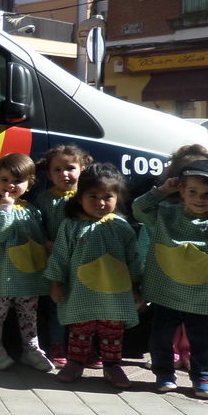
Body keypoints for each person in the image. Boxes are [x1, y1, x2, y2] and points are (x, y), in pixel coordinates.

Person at [133, 157, 208, 399]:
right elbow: (139, 208)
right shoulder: (167, 214)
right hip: (168, 292)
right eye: (193, 191)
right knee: (161, 337)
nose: (199, 198)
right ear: (181, 189)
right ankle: (164, 374)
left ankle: (205, 377)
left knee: (204, 340)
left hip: (207, 297)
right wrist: (163, 190)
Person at [45, 164, 141, 389]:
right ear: (80, 198)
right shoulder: (71, 226)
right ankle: (75, 362)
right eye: (93, 196)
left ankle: (112, 365)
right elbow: (60, 257)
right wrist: (56, 284)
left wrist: (136, 286)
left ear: (117, 198)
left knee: (112, 332)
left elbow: (133, 259)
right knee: (79, 329)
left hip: (114, 294)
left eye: (108, 196)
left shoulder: (122, 227)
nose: (100, 202)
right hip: (81, 292)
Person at [0, 153, 54, 372]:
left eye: (17, 181)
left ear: (29, 184)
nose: (10, 185)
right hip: (4, 275)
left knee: (29, 316)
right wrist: (5, 209)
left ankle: (31, 349)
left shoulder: (33, 211)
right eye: (4, 180)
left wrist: (48, 245)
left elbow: (38, 237)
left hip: (28, 277)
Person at [34, 145, 93, 367]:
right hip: (53, 260)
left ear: (83, 168)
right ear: (49, 174)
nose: (64, 174)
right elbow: (36, 226)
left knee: (82, 301)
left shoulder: (87, 198)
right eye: (57, 170)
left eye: (70, 168)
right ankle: (57, 344)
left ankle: (84, 346)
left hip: (82, 259)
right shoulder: (44, 200)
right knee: (55, 302)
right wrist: (45, 242)